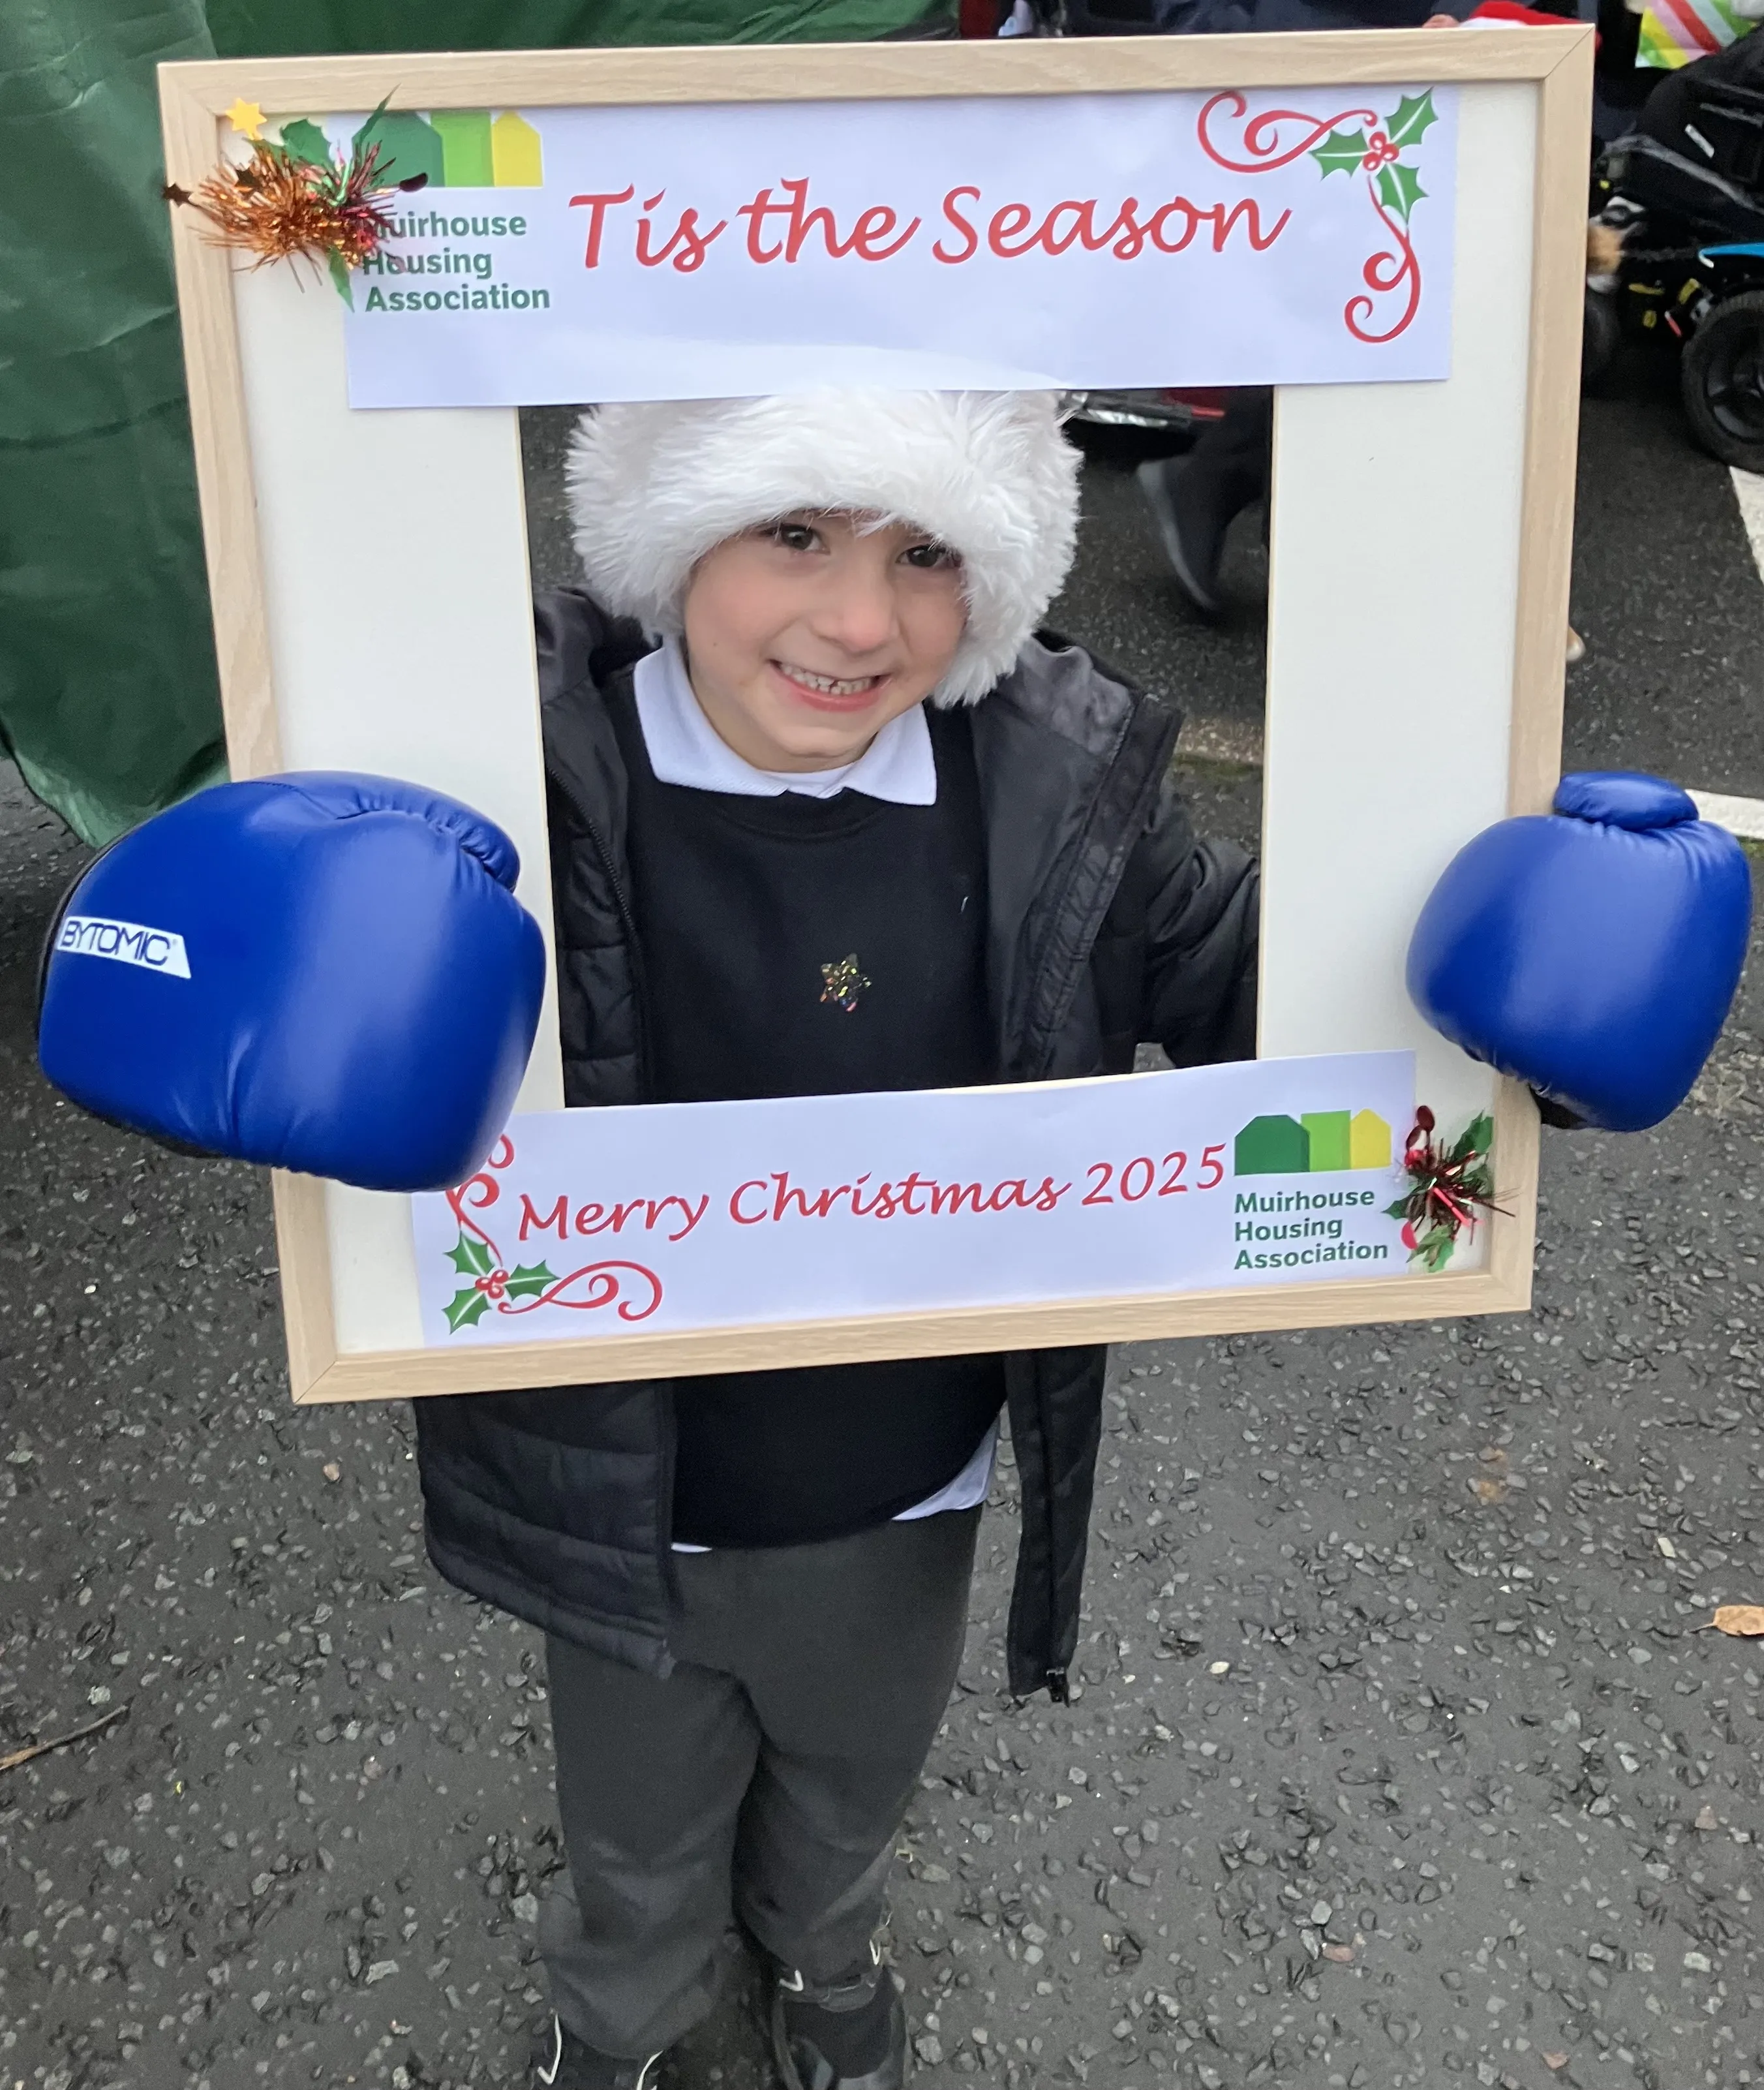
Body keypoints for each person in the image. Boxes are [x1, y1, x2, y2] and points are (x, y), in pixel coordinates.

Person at [403, 389, 1259, 2090]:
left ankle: (823, 1955)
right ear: (667, 528)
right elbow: (361, 1028)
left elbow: (1251, 982)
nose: (862, 620)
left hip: (902, 1474)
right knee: (637, 1818)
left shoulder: (1050, 780)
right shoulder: (503, 775)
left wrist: (1473, 997)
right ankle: (621, 2009)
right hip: (624, 1483)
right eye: (794, 529)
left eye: (929, 553)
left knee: (853, 1776)